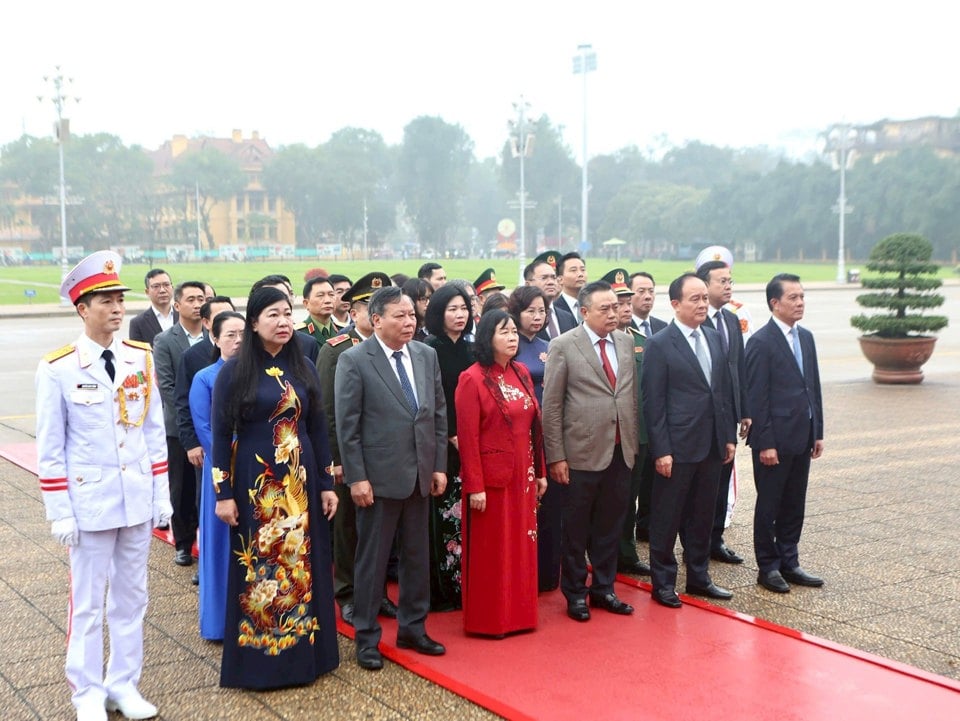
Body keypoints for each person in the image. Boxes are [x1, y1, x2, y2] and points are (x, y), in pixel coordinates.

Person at [36, 250, 171, 721]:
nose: (117, 308)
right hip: (88, 501)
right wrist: (59, 510)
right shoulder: (59, 367)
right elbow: (51, 448)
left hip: (135, 498)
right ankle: (87, 692)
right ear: (82, 309)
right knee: (89, 604)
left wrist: (162, 496)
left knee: (133, 598)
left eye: (119, 299)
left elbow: (153, 432)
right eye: (105, 300)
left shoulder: (140, 358)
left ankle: (123, 684)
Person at [209, 286, 339, 688]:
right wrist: (223, 493)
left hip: (299, 482)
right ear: (253, 323)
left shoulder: (304, 366)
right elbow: (219, 435)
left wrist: (326, 482)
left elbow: (317, 426)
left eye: (287, 314)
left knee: (302, 565)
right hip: (256, 486)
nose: (283, 323)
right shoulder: (235, 370)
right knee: (261, 567)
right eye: (273, 316)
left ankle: (306, 656)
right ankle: (262, 658)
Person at [334, 286, 448, 671]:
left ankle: (413, 627)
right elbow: (347, 426)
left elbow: (436, 415)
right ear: (376, 319)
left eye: (412, 315)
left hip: (419, 474)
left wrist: (438, 466)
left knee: (417, 557)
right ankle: (366, 636)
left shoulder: (425, 354)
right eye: (400, 316)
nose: (409, 322)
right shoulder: (354, 360)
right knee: (372, 560)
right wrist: (356, 477)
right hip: (377, 480)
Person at [542, 280, 639, 622]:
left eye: (615, 307)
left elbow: (629, 397)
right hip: (580, 454)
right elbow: (551, 406)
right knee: (577, 528)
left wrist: (633, 442)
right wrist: (556, 456)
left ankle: (604, 588)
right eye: (605, 309)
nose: (614, 314)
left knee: (610, 525)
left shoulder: (626, 343)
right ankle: (575, 593)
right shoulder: (564, 346)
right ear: (584, 312)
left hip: (620, 451)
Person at [642, 273, 737, 609]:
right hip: (677, 448)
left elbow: (721, 393)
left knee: (701, 515)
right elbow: (653, 403)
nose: (702, 304)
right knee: (667, 518)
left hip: (711, 444)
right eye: (694, 299)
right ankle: (663, 583)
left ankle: (698, 577)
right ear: (675, 304)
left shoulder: (713, 338)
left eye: (703, 298)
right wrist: (662, 450)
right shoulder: (660, 344)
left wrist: (727, 437)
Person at [456, 310, 547, 636]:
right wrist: (475, 485)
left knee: (522, 544)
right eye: (503, 332)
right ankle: (489, 620)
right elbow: (467, 438)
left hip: (524, 474)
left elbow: (534, 425)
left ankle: (520, 615)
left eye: (513, 332)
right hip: (492, 479)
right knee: (494, 549)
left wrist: (540, 471)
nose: (512, 337)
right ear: (487, 338)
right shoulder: (473, 378)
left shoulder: (521, 372)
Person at [315, 272, 398, 626]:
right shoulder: (336, 351)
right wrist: (336, 460)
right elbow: (330, 412)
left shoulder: (395, 348)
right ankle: (348, 593)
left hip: (385, 456)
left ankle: (376, 592)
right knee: (349, 527)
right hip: (350, 457)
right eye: (367, 306)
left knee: (380, 529)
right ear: (356, 311)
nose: (372, 313)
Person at [746, 273, 825, 594]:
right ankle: (768, 566)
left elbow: (813, 387)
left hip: (802, 436)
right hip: (773, 442)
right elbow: (756, 397)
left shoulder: (805, 337)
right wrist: (765, 442)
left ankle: (790, 561)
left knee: (794, 503)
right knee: (770, 504)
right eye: (793, 298)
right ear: (774, 303)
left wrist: (817, 430)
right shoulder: (761, 342)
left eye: (802, 297)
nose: (800, 302)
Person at [189, 310, 245, 641]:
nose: (238, 341)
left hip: (258, 472)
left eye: (243, 335)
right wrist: (233, 459)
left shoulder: (257, 374)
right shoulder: (206, 377)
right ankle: (220, 623)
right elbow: (206, 429)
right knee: (221, 547)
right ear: (215, 339)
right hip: (224, 471)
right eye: (230, 335)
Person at [692, 260, 751, 565]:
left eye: (730, 281)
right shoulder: (694, 322)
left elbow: (737, 368)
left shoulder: (730, 320)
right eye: (722, 281)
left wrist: (744, 411)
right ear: (704, 285)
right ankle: (695, 543)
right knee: (700, 485)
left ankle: (716, 539)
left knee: (722, 477)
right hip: (700, 420)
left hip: (727, 416)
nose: (728, 287)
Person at [423, 284, 475, 611]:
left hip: (470, 445)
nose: (459, 315)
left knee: (464, 517)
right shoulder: (429, 349)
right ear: (438, 313)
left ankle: (464, 583)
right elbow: (431, 400)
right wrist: (452, 434)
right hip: (441, 444)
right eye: (452, 309)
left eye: (464, 309)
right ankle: (441, 589)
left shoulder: (471, 350)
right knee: (442, 518)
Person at [507, 285, 560, 591]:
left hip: (548, 432)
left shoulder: (551, 345)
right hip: (518, 434)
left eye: (542, 311)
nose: (537, 317)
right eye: (531, 311)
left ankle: (548, 571)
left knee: (550, 506)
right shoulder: (509, 346)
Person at [600, 268, 652, 577]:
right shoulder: (591, 342)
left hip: (638, 434)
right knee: (607, 499)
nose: (626, 307)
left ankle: (626, 552)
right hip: (606, 435)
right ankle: (605, 551)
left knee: (629, 498)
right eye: (619, 302)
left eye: (628, 301)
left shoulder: (640, 341)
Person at [153, 281, 207, 567]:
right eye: (191, 299)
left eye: (201, 298)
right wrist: (191, 424)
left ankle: (207, 541)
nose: (197, 304)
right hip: (180, 428)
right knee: (182, 487)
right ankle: (184, 543)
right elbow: (168, 387)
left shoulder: (214, 335)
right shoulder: (165, 340)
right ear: (177, 305)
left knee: (207, 490)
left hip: (212, 427)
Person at [629, 271, 668, 543]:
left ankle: (648, 528)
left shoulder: (663, 327)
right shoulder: (621, 331)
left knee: (655, 484)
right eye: (640, 290)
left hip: (660, 422)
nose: (647, 296)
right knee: (633, 484)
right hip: (634, 424)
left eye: (651, 290)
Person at [249, 275, 320, 364]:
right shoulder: (237, 354)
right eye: (273, 315)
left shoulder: (307, 347)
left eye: (286, 295)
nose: (283, 323)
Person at [524, 250, 576, 341]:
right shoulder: (521, 318)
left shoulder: (568, 317)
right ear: (528, 284)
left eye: (553, 277)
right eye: (544, 278)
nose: (551, 282)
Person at [128, 268, 177, 344]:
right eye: (156, 286)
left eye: (166, 285)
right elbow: (137, 353)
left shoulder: (185, 315)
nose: (162, 290)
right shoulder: (138, 323)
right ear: (147, 292)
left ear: (172, 288)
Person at [298, 275, 338, 345]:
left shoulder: (343, 330)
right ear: (306, 303)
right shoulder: (297, 334)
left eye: (331, 294)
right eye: (320, 295)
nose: (328, 300)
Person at [552, 252, 587, 320]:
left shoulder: (592, 305)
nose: (580, 274)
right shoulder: (554, 309)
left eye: (583, 270)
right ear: (560, 279)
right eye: (573, 270)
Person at [401, 277, 433, 343]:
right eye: (423, 299)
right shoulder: (404, 332)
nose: (428, 303)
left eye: (431, 298)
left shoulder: (439, 330)